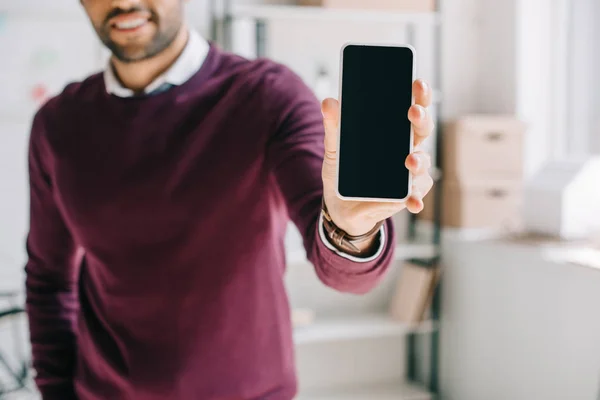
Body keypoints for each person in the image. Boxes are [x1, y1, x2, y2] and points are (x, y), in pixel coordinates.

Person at [24, 0, 435, 399]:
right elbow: (49, 281)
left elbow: (345, 272)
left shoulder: (269, 95)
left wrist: (352, 228)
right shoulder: (58, 125)